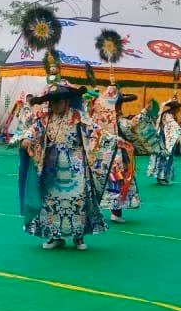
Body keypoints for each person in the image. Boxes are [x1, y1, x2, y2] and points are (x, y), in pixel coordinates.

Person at [19, 80, 117, 250]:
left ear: (67, 101)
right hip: (51, 168)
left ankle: (78, 237)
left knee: (78, 201)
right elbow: (33, 129)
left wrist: (114, 140)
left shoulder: (78, 117)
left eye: (59, 101)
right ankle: (54, 236)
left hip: (76, 166)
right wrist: (27, 138)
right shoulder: (45, 119)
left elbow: (96, 132)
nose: (55, 105)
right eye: (53, 102)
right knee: (51, 202)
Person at [89, 84, 141, 223]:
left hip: (105, 154)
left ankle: (110, 210)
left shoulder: (98, 116)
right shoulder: (118, 120)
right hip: (115, 155)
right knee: (117, 180)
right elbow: (131, 130)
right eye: (119, 105)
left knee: (110, 181)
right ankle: (115, 212)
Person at [148, 97, 181, 184]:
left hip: (166, 138)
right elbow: (174, 126)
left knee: (167, 157)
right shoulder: (167, 115)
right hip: (164, 139)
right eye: (178, 108)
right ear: (175, 108)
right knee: (165, 157)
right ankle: (162, 177)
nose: (179, 110)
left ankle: (163, 177)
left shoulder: (169, 115)